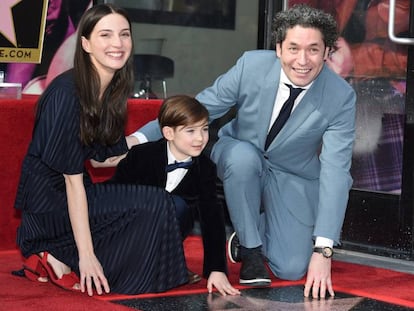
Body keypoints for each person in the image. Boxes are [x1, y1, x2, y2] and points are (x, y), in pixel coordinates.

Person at [130, 4, 356, 299]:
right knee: (243, 158)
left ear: (327, 52)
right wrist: (136, 139)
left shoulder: (341, 97)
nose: (302, 60)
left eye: (313, 50)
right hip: (239, 154)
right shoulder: (252, 65)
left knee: (290, 268)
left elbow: (336, 171)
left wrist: (324, 249)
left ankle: (246, 231)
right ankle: (250, 251)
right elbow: (201, 107)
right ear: (278, 48)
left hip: (292, 174)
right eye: (293, 48)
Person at [14, 4, 188, 296]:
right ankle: (58, 254)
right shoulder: (67, 94)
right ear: (85, 43)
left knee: (165, 202)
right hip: (49, 209)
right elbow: (71, 182)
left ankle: (62, 258)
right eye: (105, 35)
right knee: (155, 204)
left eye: (124, 34)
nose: (117, 44)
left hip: (74, 193)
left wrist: (160, 139)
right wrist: (87, 256)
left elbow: (105, 157)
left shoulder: (108, 89)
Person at [109, 95, 240, 296]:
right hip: (129, 230)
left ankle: (162, 262)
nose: (200, 138)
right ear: (168, 133)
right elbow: (114, 198)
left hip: (171, 232)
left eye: (204, 129)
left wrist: (217, 269)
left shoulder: (205, 168)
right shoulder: (141, 156)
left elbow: (212, 218)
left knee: (177, 205)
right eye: (191, 131)